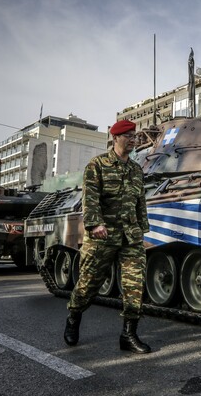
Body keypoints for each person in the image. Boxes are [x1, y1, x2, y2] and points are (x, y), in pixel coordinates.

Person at [63, 120, 151, 354]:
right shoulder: (98, 165)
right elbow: (90, 198)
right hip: (102, 235)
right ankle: (74, 316)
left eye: (135, 136)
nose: (133, 140)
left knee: (135, 285)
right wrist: (94, 224)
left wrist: (142, 229)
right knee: (88, 285)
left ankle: (128, 335)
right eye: (128, 136)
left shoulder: (136, 169)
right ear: (116, 138)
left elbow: (140, 202)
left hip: (130, 237)